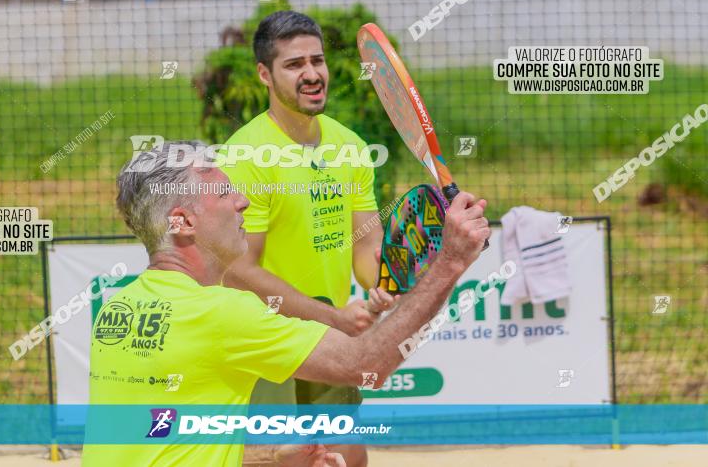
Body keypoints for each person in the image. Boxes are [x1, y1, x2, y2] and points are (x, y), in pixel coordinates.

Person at [82, 141, 490, 466]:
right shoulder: (222, 314)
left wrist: (274, 460)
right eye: (224, 192)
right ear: (183, 222)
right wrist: (451, 262)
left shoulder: (121, 308)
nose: (242, 201)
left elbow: (163, 437)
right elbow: (366, 365)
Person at [220, 10, 388, 465]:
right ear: (264, 75)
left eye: (317, 61)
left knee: (348, 456)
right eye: (294, 65)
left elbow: (366, 248)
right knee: (280, 459)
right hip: (263, 337)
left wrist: (389, 285)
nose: (312, 74)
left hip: (327, 331)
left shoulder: (350, 146)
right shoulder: (246, 155)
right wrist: (331, 316)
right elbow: (238, 271)